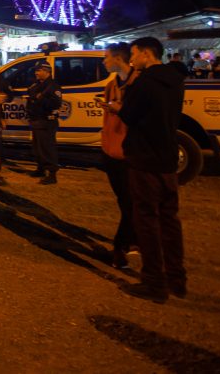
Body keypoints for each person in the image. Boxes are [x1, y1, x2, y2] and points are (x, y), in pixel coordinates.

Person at [104, 36, 187, 303]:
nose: (132, 59)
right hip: (167, 158)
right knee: (170, 220)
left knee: (147, 221)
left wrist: (116, 107)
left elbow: (130, 115)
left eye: (134, 54)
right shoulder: (176, 81)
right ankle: (176, 278)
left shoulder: (144, 82)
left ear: (146, 54)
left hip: (144, 158)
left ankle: (154, 283)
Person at [97, 42, 139, 269]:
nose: (104, 61)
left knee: (131, 202)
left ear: (118, 58)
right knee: (125, 201)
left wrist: (120, 110)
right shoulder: (112, 85)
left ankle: (120, 247)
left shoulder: (139, 84)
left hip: (131, 153)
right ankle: (133, 240)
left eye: (106, 57)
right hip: (111, 151)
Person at [26, 61, 62, 185]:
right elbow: (31, 94)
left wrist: (39, 99)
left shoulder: (52, 86)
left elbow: (56, 103)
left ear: (47, 71)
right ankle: (41, 169)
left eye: (39, 70)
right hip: (37, 119)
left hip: (46, 120)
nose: (36, 73)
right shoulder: (37, 84)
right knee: (38, 148)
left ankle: (52, 174)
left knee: (47, 148)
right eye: (36, 70)